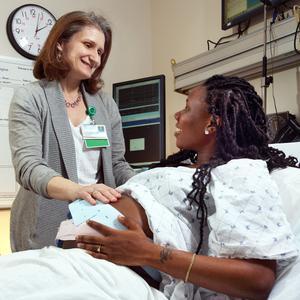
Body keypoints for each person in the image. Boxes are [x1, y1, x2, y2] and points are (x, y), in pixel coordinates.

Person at [2, 75, 299, 300]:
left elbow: (258, 279)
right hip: (67, 258)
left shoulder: (239, 172)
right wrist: (72, 229)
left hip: (114, 275)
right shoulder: (184, 168)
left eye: (186, 108)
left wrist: (149, 253)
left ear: (212, 122)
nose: (177, 116)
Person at [8, 11, 135, 252]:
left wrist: (149, 184)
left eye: (100, 52)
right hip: (43, 227)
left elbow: (117, 165)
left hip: (95, 223)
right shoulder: (31, 98)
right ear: (60, 45)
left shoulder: (105, 104)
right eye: (88, 45)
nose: (96, 57)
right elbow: (29, 167)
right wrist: (78, 191)